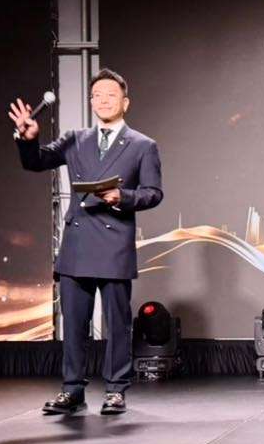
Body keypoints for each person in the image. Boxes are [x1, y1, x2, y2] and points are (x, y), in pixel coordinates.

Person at [8, 68, 163, 415]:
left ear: (125, 102)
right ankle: (72, 389)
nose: (103, 100)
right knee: (74, 323)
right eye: (97, 95)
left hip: (114, 244)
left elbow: (153, 193)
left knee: (117, 324)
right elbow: (36, 162)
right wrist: (28, 139)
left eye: (110, 95)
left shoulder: (143, 145)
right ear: (91, 102)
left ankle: (116, 390)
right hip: (77, 245)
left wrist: (122, 196)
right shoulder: (75, 139)